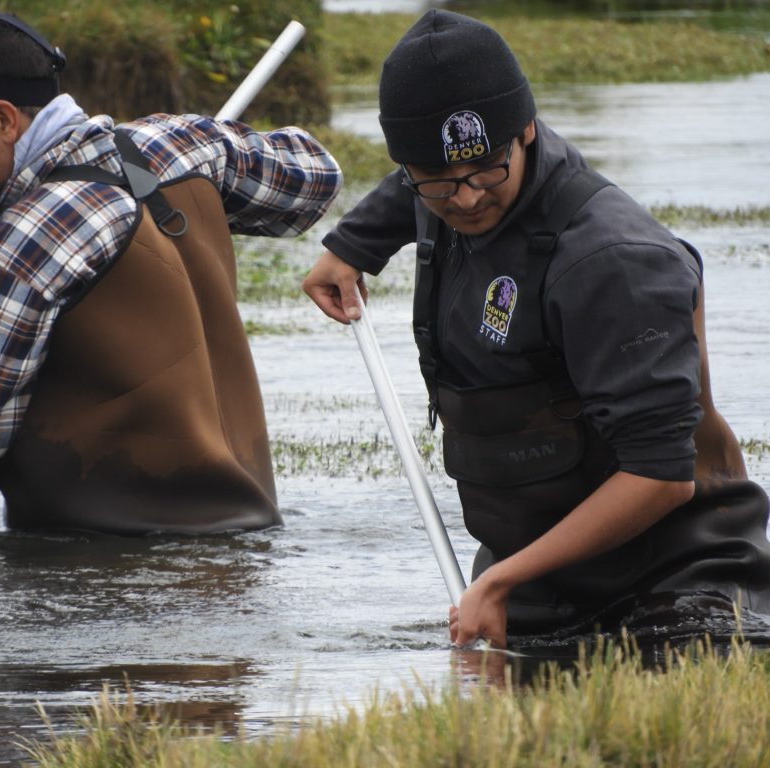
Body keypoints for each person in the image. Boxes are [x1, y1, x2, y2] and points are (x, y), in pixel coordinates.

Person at [303, 9, 770, 648]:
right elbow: (425, 181)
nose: (465, 199)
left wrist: (497, 584)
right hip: (536, 579)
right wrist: (355, 243)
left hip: (678, 584)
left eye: (486, 171)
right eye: (438, 184)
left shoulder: (615, 264)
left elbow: (662, 475)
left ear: (526, 131)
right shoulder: (446, 178)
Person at [0, 12, 342, 535]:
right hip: (245, 545)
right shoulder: (177, 144)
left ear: (4, 120)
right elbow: (317, 176)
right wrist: (200, 156)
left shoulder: (30, 235)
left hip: (103, 563)